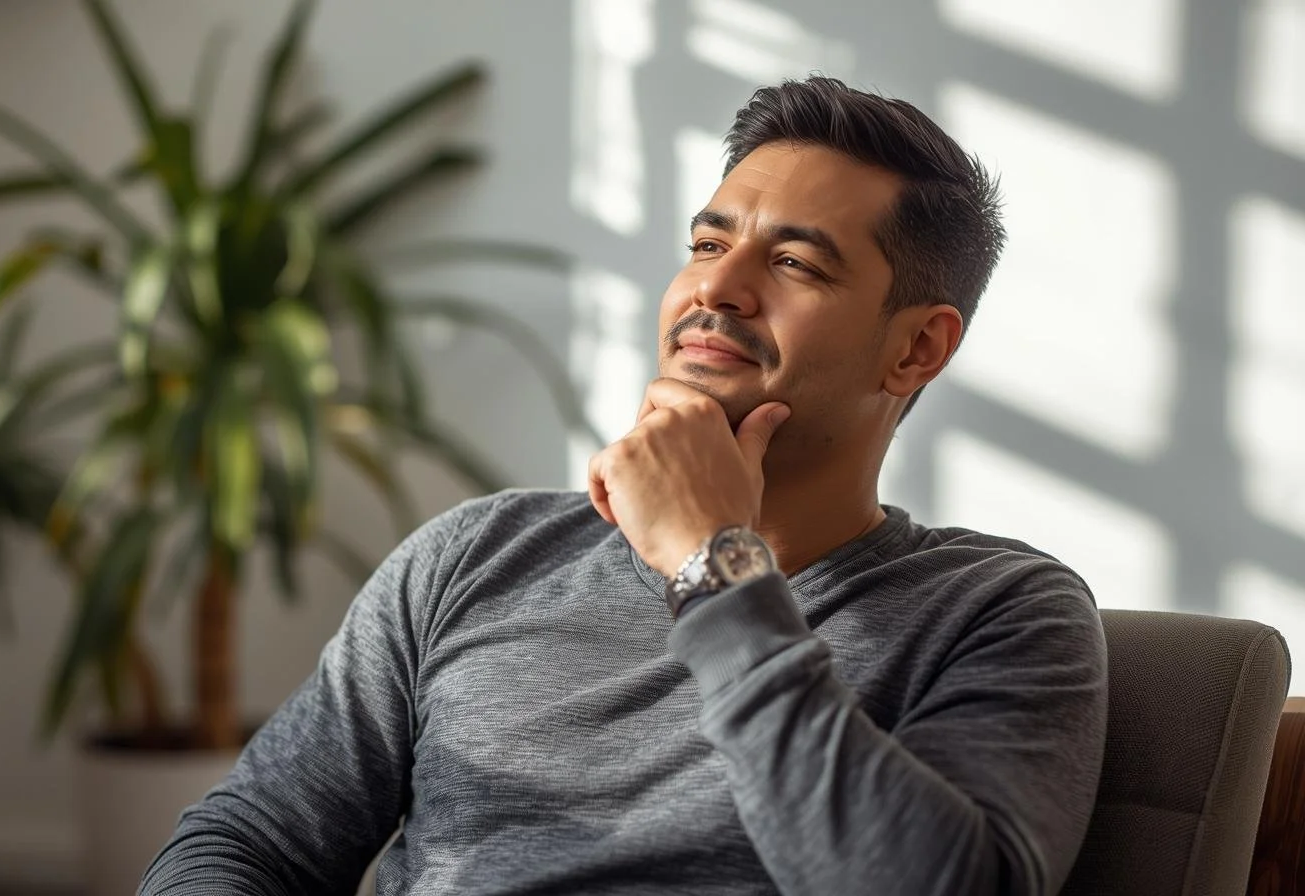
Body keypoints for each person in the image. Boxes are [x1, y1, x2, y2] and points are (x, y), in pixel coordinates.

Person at [139, 76, 1107, 896]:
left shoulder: (1001, 611)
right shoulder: (473, 556)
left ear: (917, 347)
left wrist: (713, 565)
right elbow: (245, 840)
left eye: (796, 262)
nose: (715, 290)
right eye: (705, 244)